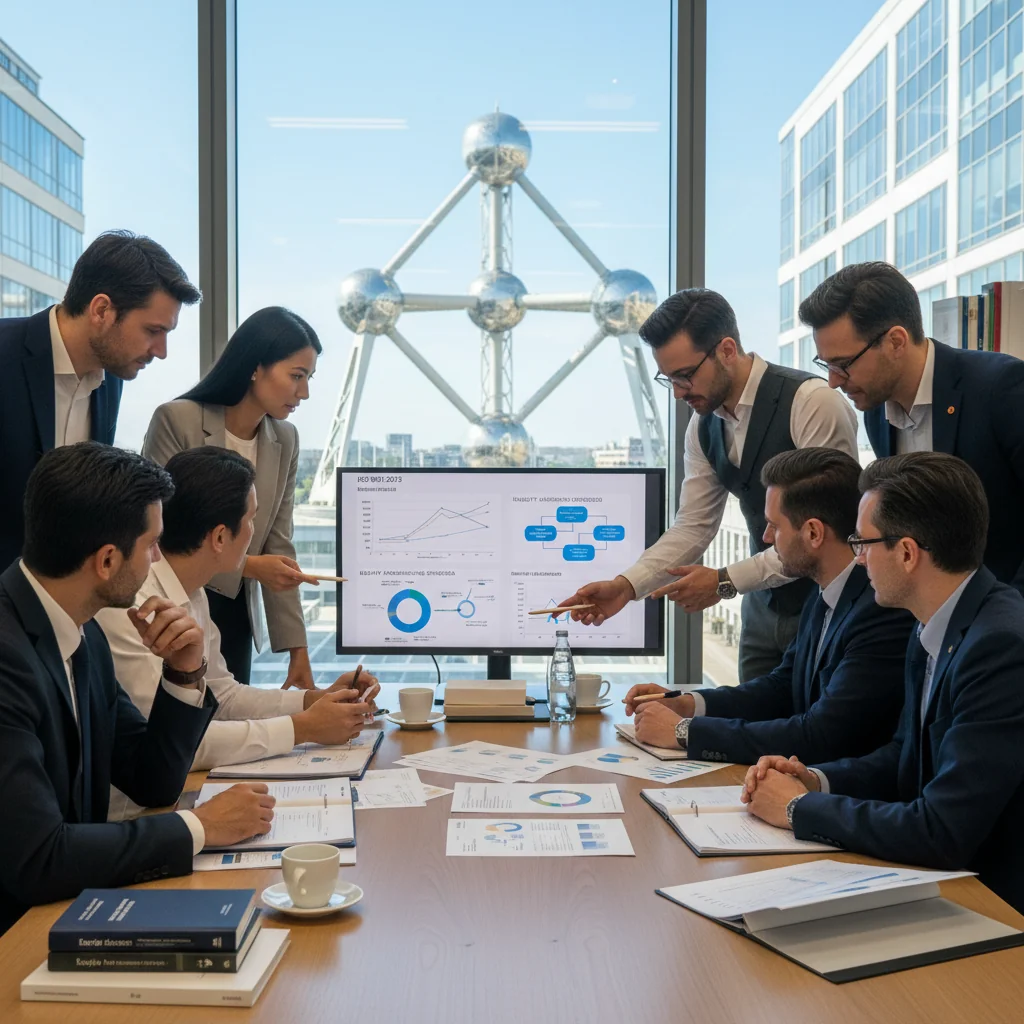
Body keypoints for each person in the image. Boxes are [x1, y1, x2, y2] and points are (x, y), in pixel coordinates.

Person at [0, 443, 278, 934]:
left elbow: (152, 781)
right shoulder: (9, 656)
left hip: (60, 907)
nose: (157, 560)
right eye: (152, 545)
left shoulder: (80, 630)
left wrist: (185, 671)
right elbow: (38, 857)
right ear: (107, 560)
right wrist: (201, 826)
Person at [742, 452, 1024, 914]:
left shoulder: (1000, 647)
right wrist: (815, 781)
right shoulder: (934, 621)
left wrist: (798, 809)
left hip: (995, 906)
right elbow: (905, 758)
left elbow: (942, 829)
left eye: (864, 543)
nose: (858, 558)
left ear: (908, 553)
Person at [561, 288, 858, 681]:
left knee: (814, 735)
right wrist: (625, 586)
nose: (680, 393)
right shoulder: (703, 425)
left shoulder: (813, 403)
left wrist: (723, 582)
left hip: (829, 608)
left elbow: (832, 533)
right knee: (750, 726)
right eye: (669, 380)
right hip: (761, 611)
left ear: (727, 350)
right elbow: (694, 525)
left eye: (685, 375)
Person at [96, 447, 377, 818]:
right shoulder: (136, 606)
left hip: (171, 800)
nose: (254, 533)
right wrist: (302, 727)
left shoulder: (192, 590)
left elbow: (222, 696)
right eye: (252, 520)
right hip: (137, 817)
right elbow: (177, 743)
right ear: (219, 537)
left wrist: (313, 700)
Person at [623, 447, 913, 764]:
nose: (765, 537)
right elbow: (782, 687)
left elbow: (823, 735)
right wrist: (687, 704)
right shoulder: (829, 590)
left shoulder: (879, 610)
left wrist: (685, 732)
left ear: (813, 532)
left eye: (775, 525)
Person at [800, 260, 1024, 594]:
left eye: (843, 365)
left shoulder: (999, 388)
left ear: (896, 341)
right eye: (826, 365)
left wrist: (1013, 613)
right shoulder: (876, 414)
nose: (833, 382)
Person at [0, 230, 201, 571]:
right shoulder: (5, 354)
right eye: (153, 331)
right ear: (101, 310)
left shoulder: (111, 379)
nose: (161, 352)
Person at [143, 306, 321, 689]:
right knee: (181, 721)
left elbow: (279, 542)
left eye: (308, 378)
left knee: (230, 713)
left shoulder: (285, 440)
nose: (303, 392)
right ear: (256, 367)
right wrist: (253, 567)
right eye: (296, 376)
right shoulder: (177, 421)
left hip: (236, 611)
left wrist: (298, 652)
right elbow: (160, 533)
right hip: (174, 605)